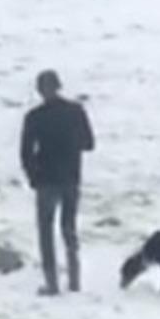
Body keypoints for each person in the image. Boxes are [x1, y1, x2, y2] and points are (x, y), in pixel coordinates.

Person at [20, 70, 95, 295]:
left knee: (46, 231)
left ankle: (52, 283)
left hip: (46, 180)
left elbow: (26, 152)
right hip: (71, 177)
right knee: (69, 228)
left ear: (40, 90)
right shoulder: (75, 111)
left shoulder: (34, 116)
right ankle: (74, 280)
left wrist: (33, 176)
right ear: (59, 86)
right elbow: (89, 144)